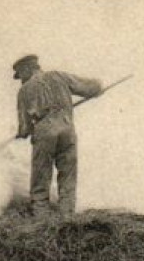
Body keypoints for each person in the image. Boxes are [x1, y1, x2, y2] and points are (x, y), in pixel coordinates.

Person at [13, 55, 103, 215]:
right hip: (67, 129)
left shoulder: (24, 91)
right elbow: (90, 88)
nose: (21, 80)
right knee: (68, 175)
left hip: (44, 131)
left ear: (27, 69)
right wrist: (97, 87)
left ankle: (41, 219)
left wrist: (22, 133)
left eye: (21, 75)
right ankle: (66, 216)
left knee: (41, 177)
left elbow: (25, 127)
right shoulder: (59, 76)